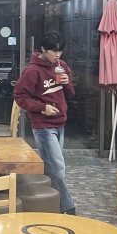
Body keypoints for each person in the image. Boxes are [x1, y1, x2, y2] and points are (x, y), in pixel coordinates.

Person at [13, 31, 77, 215]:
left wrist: (66, 83)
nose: (57, 55)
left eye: (60, 51)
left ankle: (49, 205)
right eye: (53, 51)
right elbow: (20, 96)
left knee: (53, 168)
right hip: (43, 125)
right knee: (57, 168)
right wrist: (42, 107)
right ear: (43, 49)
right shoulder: (32, 70)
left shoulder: (62, 66)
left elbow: (70, 94)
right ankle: (68, 208)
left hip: (60, 123)